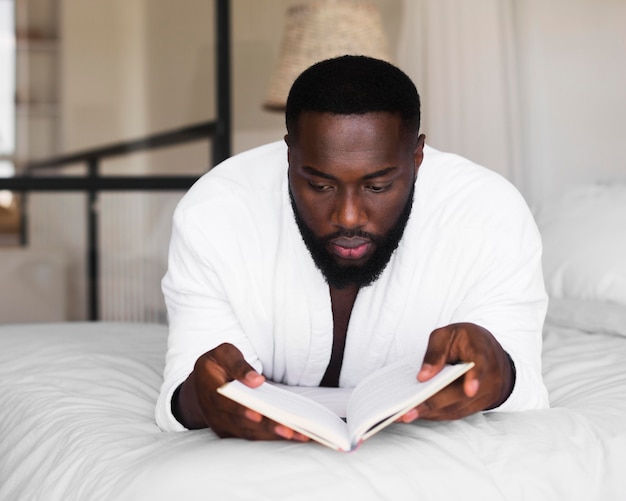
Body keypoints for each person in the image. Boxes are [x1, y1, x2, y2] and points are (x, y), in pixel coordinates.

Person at [156, 55, 549, 440]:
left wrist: (498, 369)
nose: (347, 217)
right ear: (289, 154)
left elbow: (521, 380)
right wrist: (200, 398)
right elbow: (187, 389)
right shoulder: (213, 213)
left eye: (377, 187)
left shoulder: (490, 214)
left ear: (417, 157)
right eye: (319, 185)